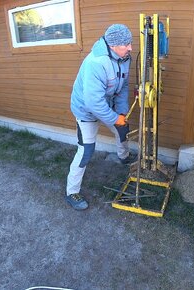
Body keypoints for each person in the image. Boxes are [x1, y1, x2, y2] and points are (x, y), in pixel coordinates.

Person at [65, 24, 135, 210]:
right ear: (112, 46)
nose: (130, 48)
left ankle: (124, 156)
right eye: (125, 45)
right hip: (86, 110)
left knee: (123, 128)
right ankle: (72, 192)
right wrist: (114, 118)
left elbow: (123, 87)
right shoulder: (96, 63)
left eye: (130, 43)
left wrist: (120, 113)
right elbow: (93, 103)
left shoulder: (125, 57)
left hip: (107, 104)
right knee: (86, 150)